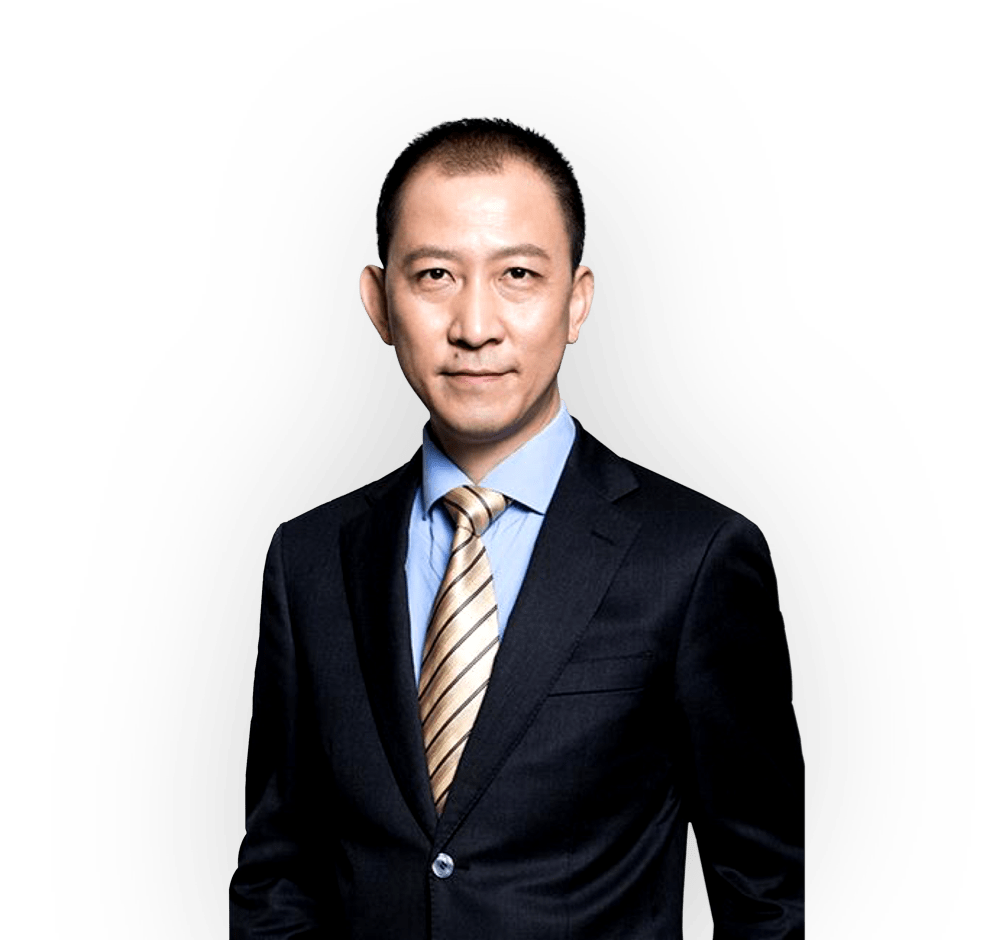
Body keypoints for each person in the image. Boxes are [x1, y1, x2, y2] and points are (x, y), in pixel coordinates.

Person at [229, 116, 805, 938]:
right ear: (379, 302)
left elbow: (765, 897)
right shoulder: (308, 558)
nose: (475, 325)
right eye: (434, 274)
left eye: (519, 275)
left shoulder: (697, 556)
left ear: (577, 300)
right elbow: (276, 877)